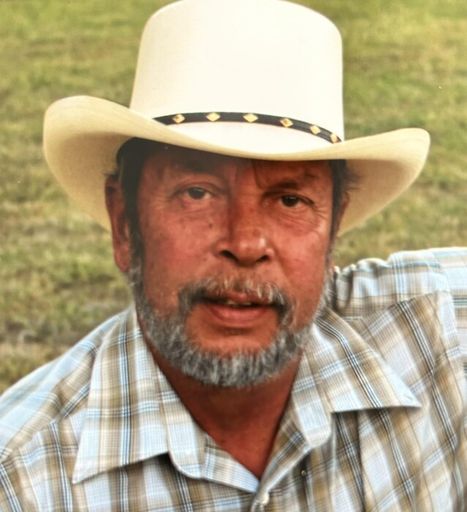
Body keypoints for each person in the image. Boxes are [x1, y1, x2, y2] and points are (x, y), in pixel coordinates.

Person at [0, 0, 465, 510]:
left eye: (290, 200)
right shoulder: (23, 483)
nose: (244, 244)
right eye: (197, 193)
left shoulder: (439, 333)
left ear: (334, 227)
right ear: (124, 222)